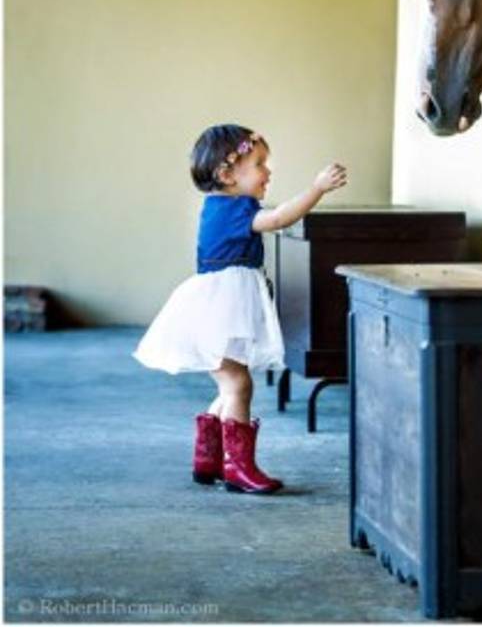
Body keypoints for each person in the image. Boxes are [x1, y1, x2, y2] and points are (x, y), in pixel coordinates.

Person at [132, 124, 347, 494]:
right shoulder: (235, 209)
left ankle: (209, 458)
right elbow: (278, 219)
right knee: (238, 383)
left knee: (231, 382)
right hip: (219, 309)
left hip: (222, 308)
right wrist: (317, 189)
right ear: (228, 174)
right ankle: (236, 467)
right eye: (260, 163)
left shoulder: (221, 206)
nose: (269, 171)